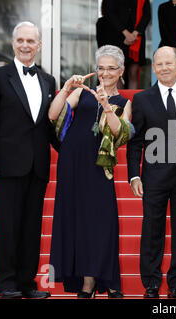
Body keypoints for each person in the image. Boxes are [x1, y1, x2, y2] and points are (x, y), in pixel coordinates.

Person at [0, 21, 56, 299]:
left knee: (32, 225)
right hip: (9, 163)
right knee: (8, 224)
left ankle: (26, 282)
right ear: (13, 43)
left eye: (30, 41)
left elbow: (48, 125)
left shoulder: (48, 80)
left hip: (38, 165)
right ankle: (6, 283)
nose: (25, 45)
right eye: (20, 40)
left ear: (39, 45)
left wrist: (72, 149)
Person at [48, 45, 133, 299]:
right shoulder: (82, 94)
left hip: (99, 169)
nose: (105, 73)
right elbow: (53, 115)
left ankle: (108, 279)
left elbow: (120, 133)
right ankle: (87, 283)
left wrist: (106, 105)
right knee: (78, 224)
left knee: (101, 223)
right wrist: (66, 89)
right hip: (72, 163)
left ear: (121, 71)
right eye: (101, 68)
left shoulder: (124, 102)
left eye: (111, 68)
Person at [126, 46, 176, 299]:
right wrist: (134, 174)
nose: (164, 68)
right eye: (159, 64)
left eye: (169, 63)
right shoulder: (143, 99)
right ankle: (151, 283)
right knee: (152, 230)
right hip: (154, 176)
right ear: (153, 68)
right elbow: (136, 142)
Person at [96, 0, 151, 89]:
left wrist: (135, 34)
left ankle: (132, 102)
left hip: (136, 38)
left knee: (134, 73)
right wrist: (126, 33)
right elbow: (110, 12)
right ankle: (118, 102)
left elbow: (146, 15)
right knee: (118, 74)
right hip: (116, 36)